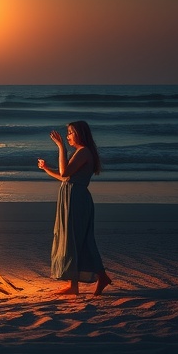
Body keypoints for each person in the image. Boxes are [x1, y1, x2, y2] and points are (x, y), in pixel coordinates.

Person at [37, 120, 112, 296]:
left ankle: (77, 285)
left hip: (76, 200)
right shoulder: (81, 152)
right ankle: (97, 278)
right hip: (72, 197)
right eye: (67, 133)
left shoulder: (84, 152)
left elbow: (65, 173)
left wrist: (61, 147)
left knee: (74, 239)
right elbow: (65, 179)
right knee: (78, 239)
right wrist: (47, 168)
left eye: (70, 133)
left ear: (79, 134)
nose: (68, 136)